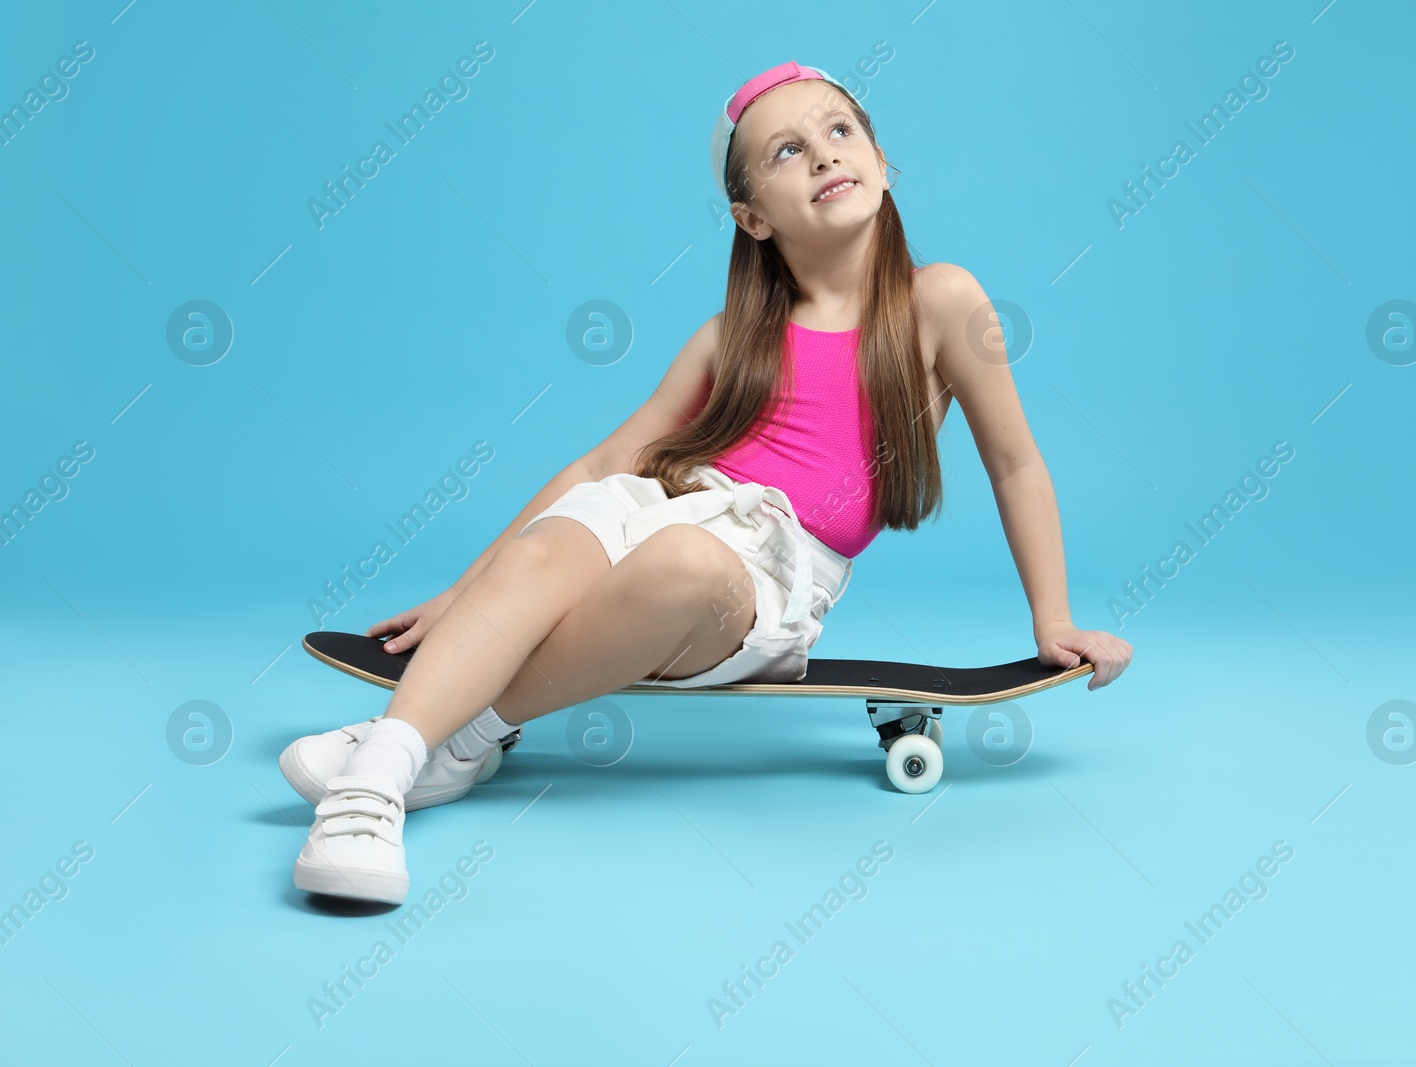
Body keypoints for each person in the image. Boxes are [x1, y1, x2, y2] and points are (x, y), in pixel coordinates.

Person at [282, 60, 1133, 905]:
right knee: (566, 538)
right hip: (664, 504)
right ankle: (377, 785)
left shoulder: (940, 301)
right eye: (788, 151)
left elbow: (1014, 462)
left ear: (883, 162)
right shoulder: (729, 337)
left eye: (840, 132)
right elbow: (598, 467)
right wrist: (465, 596)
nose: (827, 155)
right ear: (752, 216)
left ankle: (445, 732)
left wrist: (1051, 618)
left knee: (682, 561)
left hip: (766, 570)